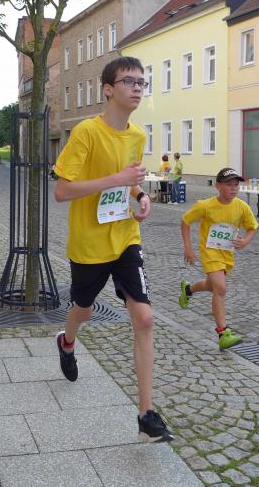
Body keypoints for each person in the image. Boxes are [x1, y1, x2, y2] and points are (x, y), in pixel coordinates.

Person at [53, 56, 173, 443]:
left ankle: (146, 415)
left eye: (142, 82)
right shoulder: (86, 132)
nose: (137, 88)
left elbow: (130, 182)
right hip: (89, 243)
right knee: (84, 309)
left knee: (145, 318)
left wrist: (140, 196)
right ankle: (67, 341)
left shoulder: (136, 136)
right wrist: (117, 179)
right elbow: (62, 191)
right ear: (108, 90)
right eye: (129, 81)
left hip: (124, 239)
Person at [178, 168, 258, 350]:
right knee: (220, 288)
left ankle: (188, 289)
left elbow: (252, 227)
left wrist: (245, 241)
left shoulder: (242, 207)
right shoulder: (205, 206)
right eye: (229, 184)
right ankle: (223, 333)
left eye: (236, 185)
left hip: (226, 255)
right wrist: (188, 248)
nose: (233, 188)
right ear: (218, 186)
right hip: (210, 253)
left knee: (212, 286)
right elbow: (185, 221)